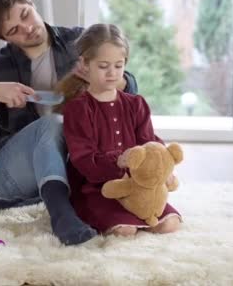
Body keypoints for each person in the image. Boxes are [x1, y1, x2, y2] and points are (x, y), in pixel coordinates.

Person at [0, 0, 138, 246]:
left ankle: (35, 202)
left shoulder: (80, 43)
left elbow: (130, 90)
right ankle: (61, 216)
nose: (27, 28)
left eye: (25, 15)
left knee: (98, 157)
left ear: (31, 3)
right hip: (14, 172)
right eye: (14, 30)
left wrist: (102, 79)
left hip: (73, 164)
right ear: (5, 39)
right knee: (52, 124)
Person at [57, 24, 181, 237]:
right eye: (103, 66)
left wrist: (164, 170)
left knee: (169, 224)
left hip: (138, 186)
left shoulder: (136, 104)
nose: (112, 73)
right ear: (85, 65)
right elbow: (84, 160)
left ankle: (140, 214)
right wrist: (119, 162)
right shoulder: (78, 109)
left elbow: (149, 142)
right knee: (124, 230)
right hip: (95, 190)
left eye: (118, 65)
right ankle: (115, 219)